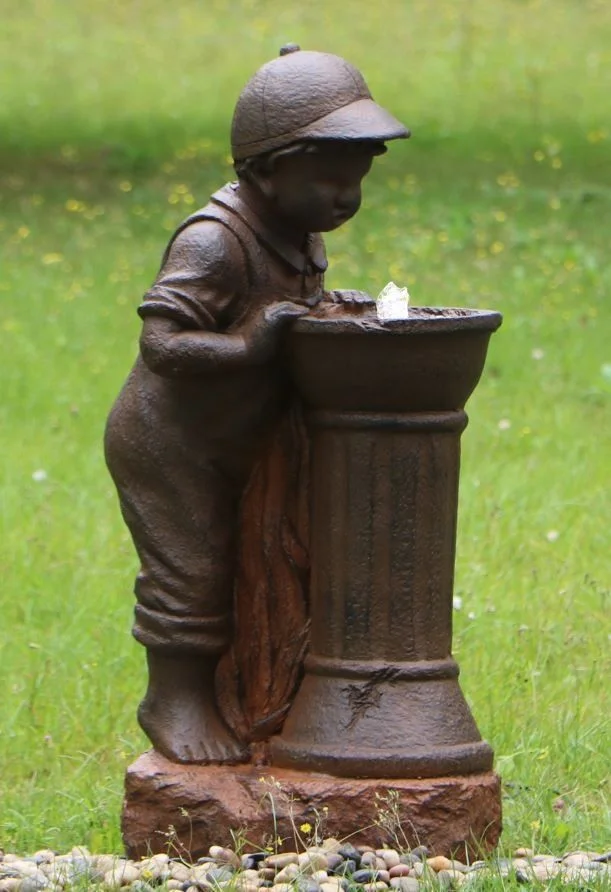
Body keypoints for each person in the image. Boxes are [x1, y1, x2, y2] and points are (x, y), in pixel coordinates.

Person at [104, 46, 408, 764]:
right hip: (170, 444)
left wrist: (324, 311)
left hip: (236, 437)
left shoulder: (296, 230)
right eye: (330, 179)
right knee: (193, 571)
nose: (346, 198)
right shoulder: (214, 242)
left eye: (356, 180)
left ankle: (251, 695)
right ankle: (173, 699)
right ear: (267, 169)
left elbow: (284, 306)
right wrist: (246, 344)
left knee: (262, 564)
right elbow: (162, 344)